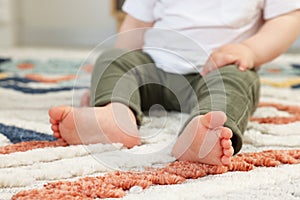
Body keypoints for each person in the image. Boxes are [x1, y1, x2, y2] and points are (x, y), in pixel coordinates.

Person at [49, 0, 300, 166]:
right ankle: (115, 113)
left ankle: (201, 131)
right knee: (113, 58)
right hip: (153, 73)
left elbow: (287, 20)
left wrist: (249, 50)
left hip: (216, 74)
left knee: (237, 80)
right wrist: (104, 87)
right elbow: (135, 26)